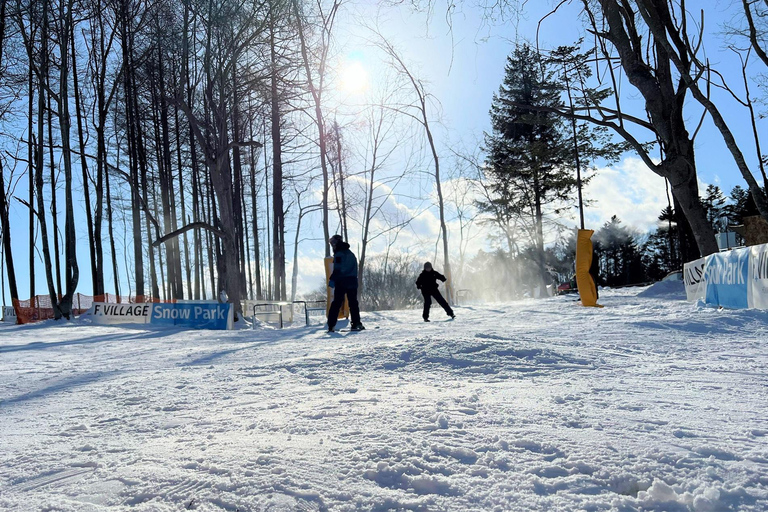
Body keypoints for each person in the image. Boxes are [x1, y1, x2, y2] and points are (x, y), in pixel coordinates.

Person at [327, 235, 365, 332]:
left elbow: (338, 269)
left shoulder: (339, 254)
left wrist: (333, 279)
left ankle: (331, 325)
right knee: (353, 303)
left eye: (332, 243)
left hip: (342, 281)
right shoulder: (350, 253)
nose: (332, 245)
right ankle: (356, 323)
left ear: (336, 243)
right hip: (352, 281)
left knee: (336, 303)